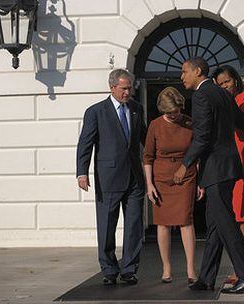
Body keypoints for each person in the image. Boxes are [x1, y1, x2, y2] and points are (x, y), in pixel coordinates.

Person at [173, 57, 244, 294]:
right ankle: (207, 278)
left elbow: (202, 136)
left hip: (217, 168)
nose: (182, 76)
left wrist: (185, 164)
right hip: (227, 167)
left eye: (184, 71)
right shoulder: (222, 93)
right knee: (214, 226)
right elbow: (242, 121)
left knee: (227, 225)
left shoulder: (202, 95)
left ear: (198, 71)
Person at [76, 69, 147, 286]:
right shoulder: (96, 112)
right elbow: (85, 143)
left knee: (134, 225)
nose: (128, 92)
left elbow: (145, 139)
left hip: (135, 177)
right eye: (124, 88)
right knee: (107, 225)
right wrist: (82, 172)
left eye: (129, 88)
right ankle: (108, 269)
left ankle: (129, 270)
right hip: (108, 177)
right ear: (112, 87)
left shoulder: (136, 109)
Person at [143, 86, 204, 285]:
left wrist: (199, 181)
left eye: (176, 111)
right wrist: (149, 184)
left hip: (185, 175)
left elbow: (197, 154)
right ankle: (167, 267)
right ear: (163, 110)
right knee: (163, 223)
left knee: (186, 220)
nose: (174, 115)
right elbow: (148, 157)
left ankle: (190, 267)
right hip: (161, 178)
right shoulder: (155, 125)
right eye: (169, 113)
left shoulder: (189, 123)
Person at [212, 65, 244, 283]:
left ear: (236, 80)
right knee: (228, 213)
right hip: (227, 159)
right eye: (220, 84)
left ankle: (240, 269)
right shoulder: (225, 101)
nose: (224, 87)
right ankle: (239, 265)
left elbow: (237, 121)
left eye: (227, 82)